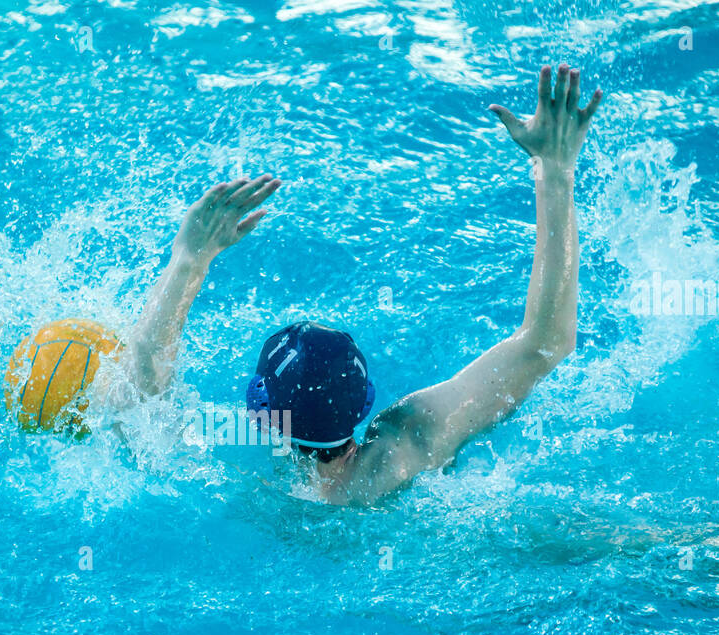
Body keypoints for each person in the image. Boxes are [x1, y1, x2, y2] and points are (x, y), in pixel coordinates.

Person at [118, 64, 603, 505]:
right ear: (365, 402)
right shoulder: (410, 443)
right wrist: (555, 171)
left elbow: (139, 405)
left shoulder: (244, 484)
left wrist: (188, 261)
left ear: (261, 416)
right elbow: (544, 343)